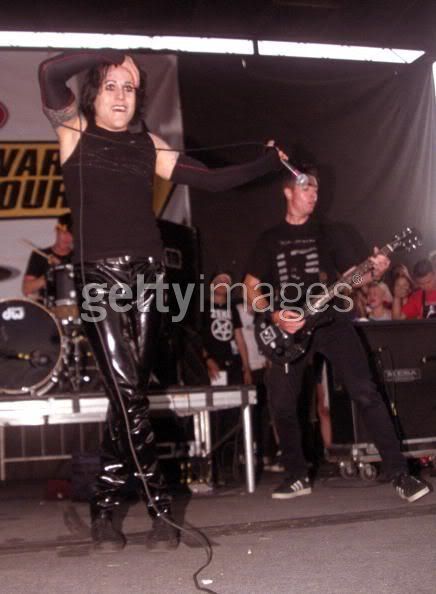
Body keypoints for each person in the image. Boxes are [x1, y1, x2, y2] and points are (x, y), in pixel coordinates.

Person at [38, 50, 286, 551]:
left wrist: (267, 161)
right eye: (111, 85)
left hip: (149, 278)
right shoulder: (73, 130)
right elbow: (49, 73)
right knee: (128, 391)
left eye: (129, 88)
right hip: (97, 278)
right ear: (94, 93)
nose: (121, 96)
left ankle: (104, 509)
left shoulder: (148, 144)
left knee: (127, 397)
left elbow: (212, 179)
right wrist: (113, 56)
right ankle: (162, 509)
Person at [243, 166, 431, 502]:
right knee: (282, 403)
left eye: (316, 189)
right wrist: (274, 314)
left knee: (366, 393)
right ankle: (297, 475)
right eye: (306, 188)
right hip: (289, 329)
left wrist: (374, 270)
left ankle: (400, 474)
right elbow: (250, 286)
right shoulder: (269, 239)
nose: (314, 194)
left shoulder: (329, 233)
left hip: (332, 323)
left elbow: (352, 278)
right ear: (288, 192)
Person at [202, 272, 251, 386]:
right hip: (213, 366)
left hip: (233, 365)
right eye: (219, 281)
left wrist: (247, 368)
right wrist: (208, 360)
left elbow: (240, 339)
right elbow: (197, 338)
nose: (223, 284)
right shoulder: (203, 307)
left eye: (226, 282)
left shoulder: (232, 309)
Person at [22, 212, 73, 301]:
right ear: (57, 230)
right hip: (47, 306)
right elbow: (26, 289)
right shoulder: (39, 255)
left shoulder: (78, 257)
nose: (67, 238)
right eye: (64, 233)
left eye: (71, 234)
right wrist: (50, 275)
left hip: (74, 305)